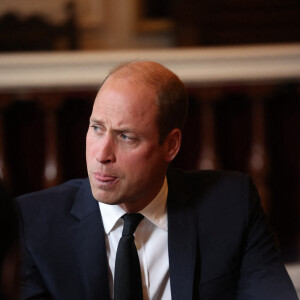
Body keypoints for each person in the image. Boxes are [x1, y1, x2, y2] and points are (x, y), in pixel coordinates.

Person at [16, 61, 298, 300]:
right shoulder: (33, 224)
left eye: (126, 137)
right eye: (96, 128)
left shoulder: (231, 205)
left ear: (171, 145)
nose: (101, 154)